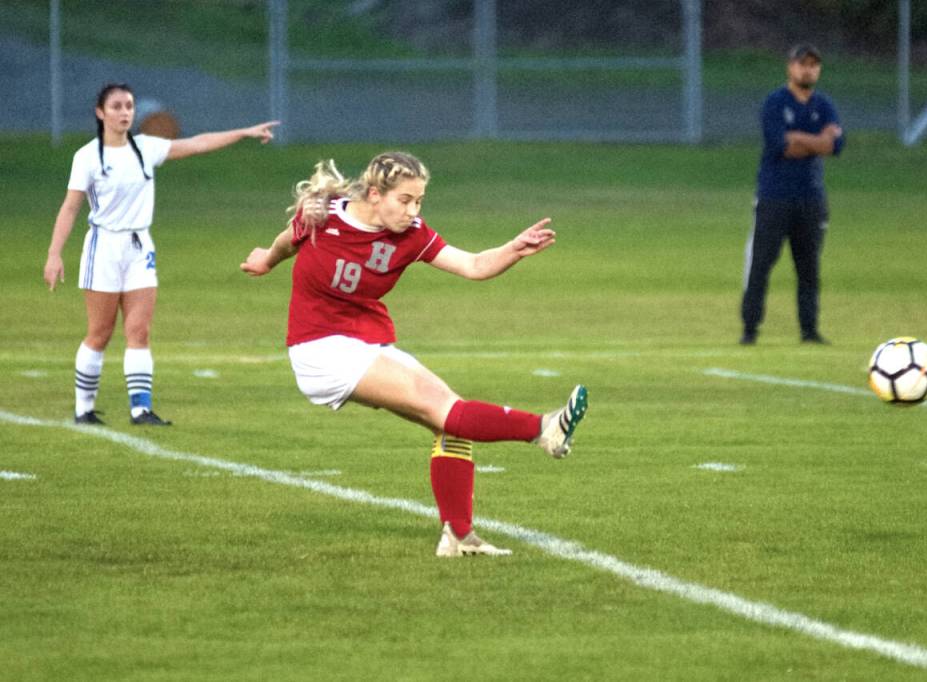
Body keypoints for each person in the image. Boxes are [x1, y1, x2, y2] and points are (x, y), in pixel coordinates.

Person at [240, 152, 589, 557]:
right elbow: (288, 241)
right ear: (374, 194)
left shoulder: (412, 234)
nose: (413, 211)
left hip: (366, 343)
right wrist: (266, 259)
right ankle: (543, 428)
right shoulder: (323, 216)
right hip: (320, 348)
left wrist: (513, 249)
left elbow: (473, 265)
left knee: (450, 420)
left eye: (419, 201)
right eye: (404, 200)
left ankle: (458, 537)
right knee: (443, 406)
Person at [44, 83, 279, 425]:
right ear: (100, 113)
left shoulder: (145, 148)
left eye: (129, 106)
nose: (125, 112)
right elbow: (70, 208)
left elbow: (197, 144)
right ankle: (84, 408)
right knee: (101, 331)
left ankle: (141, 409)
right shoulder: (88, 157)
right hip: (104, 247)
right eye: (117, 106)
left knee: (139, 330)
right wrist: (54, 254)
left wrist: (243, 132)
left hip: (140, 247)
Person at [739, 44, 845, 345]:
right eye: (802, 64)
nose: (808, 69)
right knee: (760, 264)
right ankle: (750, 329)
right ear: (790, 67)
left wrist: (799, 138)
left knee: (809, 267)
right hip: (774, 197)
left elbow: (835, 146)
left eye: (814, 64)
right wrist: (816, 141)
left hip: (811, 199)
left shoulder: (824, 105)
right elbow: (781, 145)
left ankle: (809, 330)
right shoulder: (775, 103)